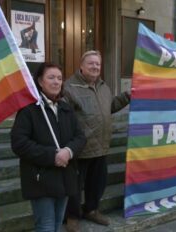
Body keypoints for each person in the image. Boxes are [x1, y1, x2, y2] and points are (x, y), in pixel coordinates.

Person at [11, 62, 87, 232]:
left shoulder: (66, 109)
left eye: (59, 78)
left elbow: (80, 137)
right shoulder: (29, 110)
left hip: (65, 178)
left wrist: (68, 151)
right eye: (51, 77)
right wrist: (52, 155)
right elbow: (19, 143)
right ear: (40, 81)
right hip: (41, 179)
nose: (56, 82)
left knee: (57, 224)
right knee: (45, 227)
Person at [63, 50, 130, 231]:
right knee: (74, 187)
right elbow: (63, 117)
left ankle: (91, 210)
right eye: (91, 63)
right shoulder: (70, 87)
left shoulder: (103, 87)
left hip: (101, 146)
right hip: (80, 147)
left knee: (97, 183)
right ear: (81, 66)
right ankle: (72, 215)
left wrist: (127, 96)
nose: (95, 67)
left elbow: (110, 107)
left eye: (98, 64)